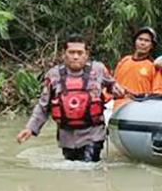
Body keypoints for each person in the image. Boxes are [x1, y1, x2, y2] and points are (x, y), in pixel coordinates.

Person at [17, 33, 125, 161]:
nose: (75, 57)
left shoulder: (98, 70)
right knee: (72, 167)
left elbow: (111, 85)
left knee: (88, 165)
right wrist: (29, 128)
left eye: (80, 53)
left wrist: (117, 90)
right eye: (71, 52)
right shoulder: (53, 75)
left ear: (86, 54)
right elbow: (43, 106)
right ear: (64, 54)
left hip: (93, 133)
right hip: (66, 137)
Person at [112, 26, 162, 108]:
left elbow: (158, 93)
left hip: (138, 110)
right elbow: (112, 83)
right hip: (118, 109)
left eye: (147, 41)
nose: (142, 43)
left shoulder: (153, 66)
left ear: (152, 45)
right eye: (140, 39)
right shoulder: (124, 61)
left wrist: (136, 96)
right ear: (135, 42)